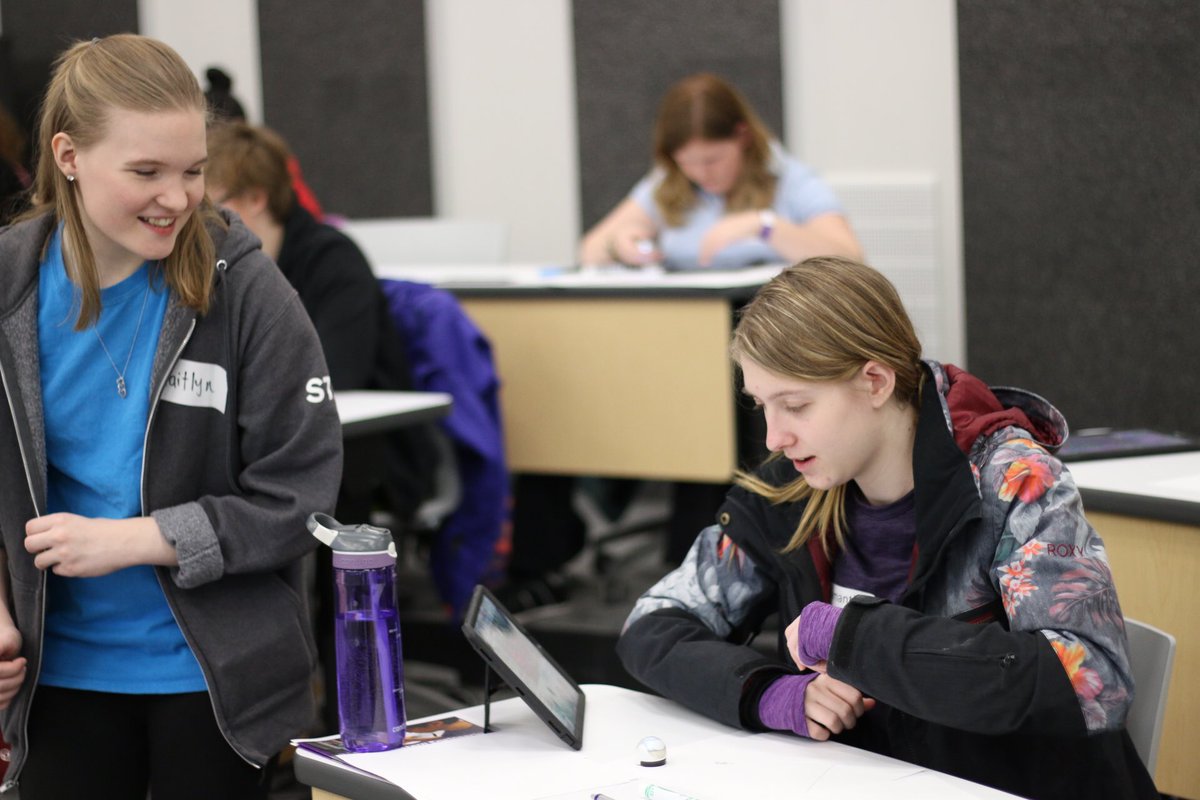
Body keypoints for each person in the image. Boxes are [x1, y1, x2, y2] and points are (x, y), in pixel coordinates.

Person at [617, 257, 1159, 800]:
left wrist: (856, 637)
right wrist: (764, 692)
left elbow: (1092, 683)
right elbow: (654, 624)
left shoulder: (1012, 478)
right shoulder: (794, 485)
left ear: (874, 381)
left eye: (796, 405)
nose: (773, 437)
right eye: (762, 406)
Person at [0, 34, 343, 799]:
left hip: (212, 684)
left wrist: (144, 539)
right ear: (68, 156)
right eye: (145, 172)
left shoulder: (246, 290)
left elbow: (303, 500)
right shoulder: (9, 286)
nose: (178, 198)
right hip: (58, 678)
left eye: (192, 171)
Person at [579, 73, 861, 270]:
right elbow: (589, 250)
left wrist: (765, 227)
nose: (700, 173)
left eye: (712, 160)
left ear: (743, 137)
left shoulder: (791, 180)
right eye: (686, 162)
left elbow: (853, 260)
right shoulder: (667, 183)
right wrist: (620, 244)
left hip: (772, 339)